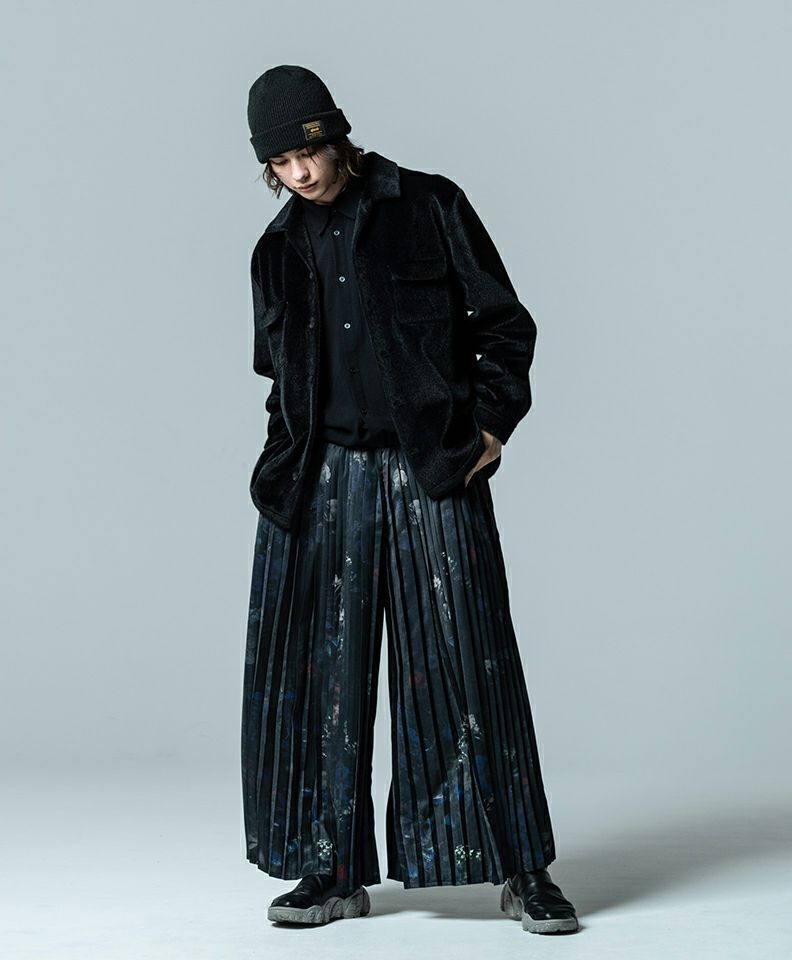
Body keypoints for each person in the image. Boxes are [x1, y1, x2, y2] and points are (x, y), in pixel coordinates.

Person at [241, 64, 579, 935]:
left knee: (471, 665)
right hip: (319, 482)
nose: (299, 172)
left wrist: (492, 426)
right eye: (280, 162)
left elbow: (503, 325)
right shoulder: (275, 251)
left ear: (338, 136)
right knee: (319, 682)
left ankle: (522, 868)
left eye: (308, 151)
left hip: (430, 467)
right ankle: (331, 870)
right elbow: (278, 377)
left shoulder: (429, 206)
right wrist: (281, 466)